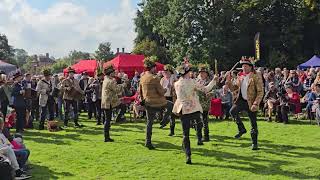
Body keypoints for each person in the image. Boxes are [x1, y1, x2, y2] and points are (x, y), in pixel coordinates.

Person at [173, 63, 217, 164]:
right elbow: (205, 89)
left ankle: (188, 155)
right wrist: (214, 80)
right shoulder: (192, 82)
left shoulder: (176, 83)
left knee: (186, 134)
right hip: (193, 109)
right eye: (190, 72)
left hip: (182, 109)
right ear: (187, 73)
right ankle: (198, 138)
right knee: (199, 121)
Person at [226, 57, 264, 150]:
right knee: (232, 112)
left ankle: (254, 143)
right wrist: (228, 81)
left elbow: (260, 92)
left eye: (246, 66)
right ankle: (242, 129)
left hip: (251, 102)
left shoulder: (256, 76)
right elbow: (234, 88)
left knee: (253, 123)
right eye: (243, 66)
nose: (244, 68)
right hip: (242, 101)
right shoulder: (240, 76)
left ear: (251, 67)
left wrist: (256, 103)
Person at [139, 57, 173, 150]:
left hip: (147, 102)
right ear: (152, 68)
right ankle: (164, 120)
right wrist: (166, 88)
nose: (156, 69)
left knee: (149, 123)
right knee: (171, 105)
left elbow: (140, 91)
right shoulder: (155, 78)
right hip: (156, 102)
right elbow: (161, 92)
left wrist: (143, 100)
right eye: (155, 67)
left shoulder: (142, 77)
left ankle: (148, 142)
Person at [101, 66, 127, 142]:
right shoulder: (111, 81)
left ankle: (106, 137)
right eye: (113, 73)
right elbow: (117, 90)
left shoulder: (106, 79)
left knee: (107, 120)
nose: (114, 74)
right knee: (108, 120)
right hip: (110, 102)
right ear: (110, 73)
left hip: (106, 102)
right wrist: (123, 85)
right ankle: (118, 119)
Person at [196, 63, 216, 142]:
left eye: (203, 72)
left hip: (205, 103)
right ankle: (199, 136)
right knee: (198, 120)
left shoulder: (210, 81)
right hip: (197, 103)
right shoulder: (196, 80)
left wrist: (210, 93)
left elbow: (214, 90)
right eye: (200, 72)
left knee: (204, 120)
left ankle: (206, 136)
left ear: (206, 74)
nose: (202, 74)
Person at [160, 64, 176, 136]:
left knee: (172, 114)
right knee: (167, 111)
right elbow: (160, 89)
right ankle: (164, 121)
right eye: (165, 72)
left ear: (170, 72)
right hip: (164, 97)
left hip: (172, 97)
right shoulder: (162, 79)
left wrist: (172, 86)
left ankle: (171, 130)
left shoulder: (174, 78)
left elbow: (177, 86)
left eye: (167, 72)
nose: (166, 73)